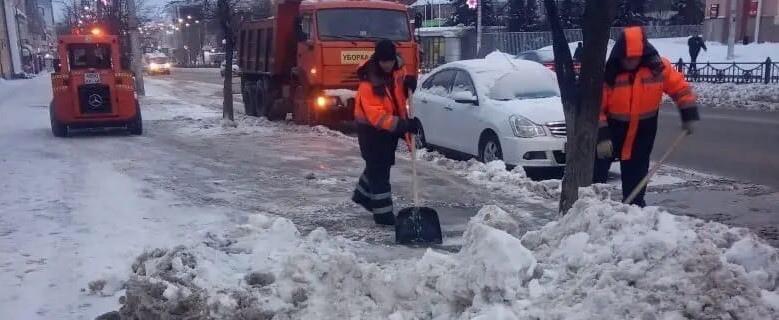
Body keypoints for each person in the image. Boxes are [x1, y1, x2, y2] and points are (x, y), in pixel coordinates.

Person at [594, 26, 699, 207]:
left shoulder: (657, 68)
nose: (631, 62)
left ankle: (634, 210)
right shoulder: (609, 74)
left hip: (643, 131)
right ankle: (591, 208)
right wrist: (602, 136)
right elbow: (596, 108)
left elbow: (680, 88)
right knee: (596, 172)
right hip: (612, 130)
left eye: (635, 58)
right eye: (627, 58)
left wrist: (688, 113)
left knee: (636, 171)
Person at [351, 40, 418, 225]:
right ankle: (384, 215)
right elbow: (377, 116)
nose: (387, 65)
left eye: (389, 61)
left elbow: (397, 95)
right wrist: (403, 125)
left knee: (379, 164)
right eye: (383, 62)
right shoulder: (369, 83)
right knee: (379, 171)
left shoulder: (398, 70)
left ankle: (362, 196)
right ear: (377, 60)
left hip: (389, 130)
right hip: (371, 132)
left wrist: (408, 85)